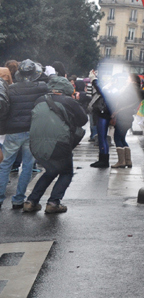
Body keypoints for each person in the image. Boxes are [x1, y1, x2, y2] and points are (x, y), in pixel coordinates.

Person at [22, 76, 87, 213]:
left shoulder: (40, 100)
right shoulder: (69, 101)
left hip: (36, 144)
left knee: (51, 171)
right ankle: (53, 202)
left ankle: (31, 201)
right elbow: (83, 120)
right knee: (66, 172)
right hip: (59, 144)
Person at [0, 60, 49, 209]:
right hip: (33, 130)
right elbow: (48, 79)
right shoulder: (42, 88)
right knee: (27, 166)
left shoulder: (12, 88)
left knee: (5, 164)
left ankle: (0, 198)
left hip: (13, 131)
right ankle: (18, 199)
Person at [88, 79, 113, 168]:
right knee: (101, 137)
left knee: (102, 138)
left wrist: (94, 80)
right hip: (102, 115)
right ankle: (102, 158)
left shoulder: (107, 92)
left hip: (104, 115)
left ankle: (104, 160)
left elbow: (100, 90)